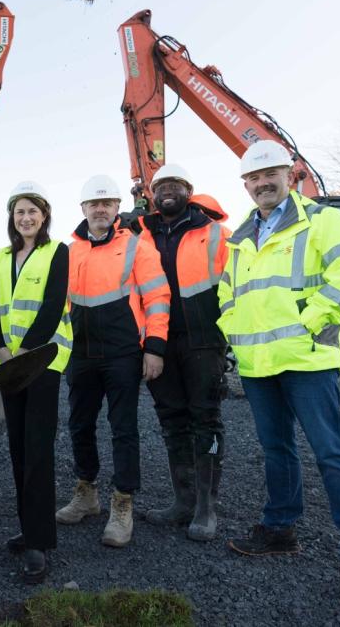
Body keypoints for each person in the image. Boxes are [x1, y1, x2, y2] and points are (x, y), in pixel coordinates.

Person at [218, 140, 340, 609]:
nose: (261, 183)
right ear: (245, 185)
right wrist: (232, 329)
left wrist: (312, 320)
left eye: (269, 173)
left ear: (290, 175)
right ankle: (279, 529)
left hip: (308, 359)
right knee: (276, 451)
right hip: (258, 364)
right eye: (252, 178)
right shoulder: (240, 238)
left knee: (332, 454)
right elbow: (228, 295)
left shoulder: (321, 220)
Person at [57, 174, 170, 549]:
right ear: (84, 209)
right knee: (79, 425)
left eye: (107, 203)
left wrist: (154, 347)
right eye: (94, 204)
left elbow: (157, 297)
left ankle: (123, 505)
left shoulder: (138, 247)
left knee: (124, 430)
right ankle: (86, 493)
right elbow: (57, 306)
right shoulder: (68, 252)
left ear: (117, 208)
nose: (101, 209)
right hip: (82, 355)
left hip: (123, 353)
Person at [135, 165, 230, 542]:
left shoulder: (215, 232)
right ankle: (183, 501)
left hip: (203, 340)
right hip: (158, 341)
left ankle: (207, 507)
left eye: (175, 185)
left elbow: (233, 284)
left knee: (205, 418)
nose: (167, 191)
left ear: (189, 190)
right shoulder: (139, 234)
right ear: (152, 195)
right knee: (171, 418)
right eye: (161, 186)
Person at [0, 181, 72, 584]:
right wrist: (1, 349)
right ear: (12, 217)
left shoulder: (57, 252)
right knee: (19, 450)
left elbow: (53, 305)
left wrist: (25, 353)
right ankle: (29, 526)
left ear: (44, 216)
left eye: (32, 211)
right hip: (11, 366)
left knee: (38, 452)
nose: (26, 218)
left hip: (43, 363)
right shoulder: (1, 257)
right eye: (19, 212)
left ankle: (39, 544)